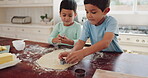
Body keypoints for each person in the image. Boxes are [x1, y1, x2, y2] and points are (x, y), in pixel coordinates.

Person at [59, 0, 123, 64]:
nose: (89, 16)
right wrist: (72, 53)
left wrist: (83, 53)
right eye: (87, 12)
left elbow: (105, 42)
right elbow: (81, 42)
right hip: (98, 55)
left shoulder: (111, 21)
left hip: (115, 57)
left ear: (105, 11)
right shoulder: (87, 24)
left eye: (93, 12)